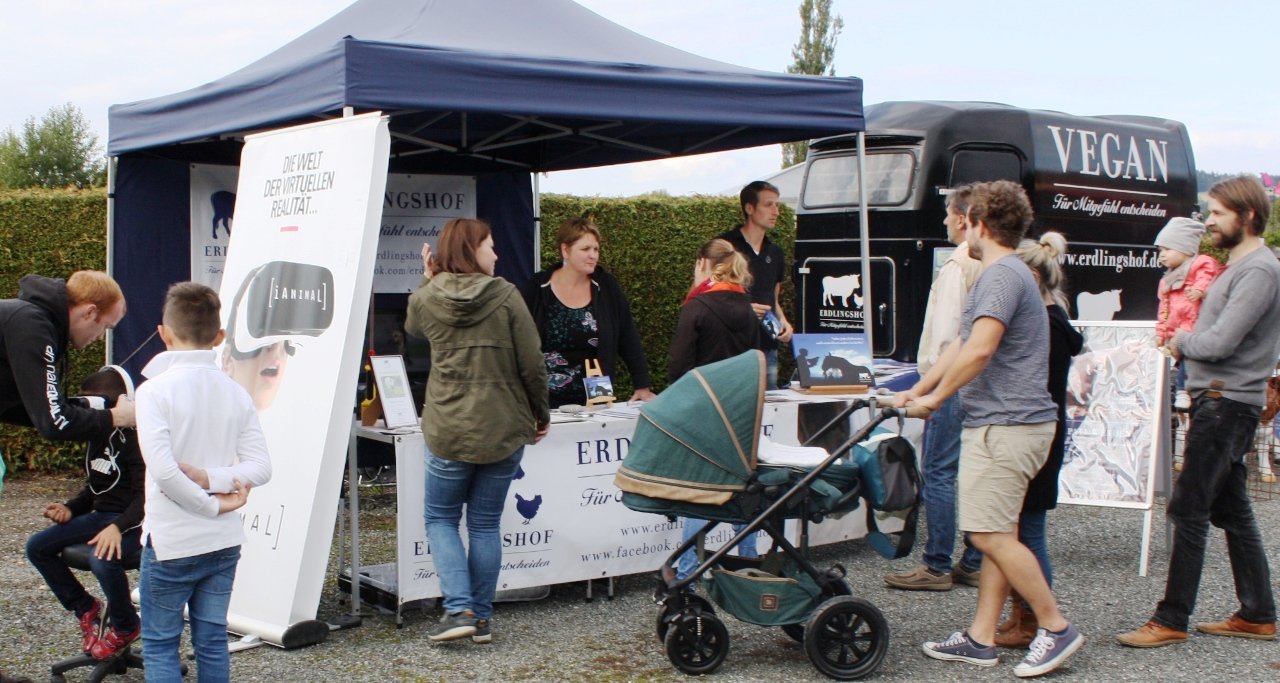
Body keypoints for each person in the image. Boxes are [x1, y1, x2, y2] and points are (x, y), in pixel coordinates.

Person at [894, 181, 1084, 678]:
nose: (956, 224)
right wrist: (917, 391)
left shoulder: (1001, 275)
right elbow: (959, 345)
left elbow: (980, 351)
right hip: (1015, 424)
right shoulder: (1006, 274)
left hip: (1006, 427)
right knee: (999, 531)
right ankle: (981, 637)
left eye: (963, 218)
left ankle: (1055, 625)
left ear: (977, 221)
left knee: (985, 533)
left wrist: (934, 400)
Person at [1117, 176, 1280, 648]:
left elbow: (1219, 342)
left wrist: (1178, 341)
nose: (1208, 221)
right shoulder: (1238, 267)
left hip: (1226, 401)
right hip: (1222, 399)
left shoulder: (1258, 271)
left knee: (1188, 507)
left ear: (1247, 217)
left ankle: (1171, 620)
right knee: (1234, 512)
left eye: (1217, 213)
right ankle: (1258, 613)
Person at [407, 219, 550, 644]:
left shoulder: (427, 297)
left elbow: (414, 328)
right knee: (485, 523)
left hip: (449, 428)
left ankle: (459, 610)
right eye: (490, 246)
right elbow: (532, 363)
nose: (497, 254)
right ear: (472, 250)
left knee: (441, 519)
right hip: (503, 426)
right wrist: (540, 415)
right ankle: (480, 618)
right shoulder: (507, 296)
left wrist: (428, 278)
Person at [136, 282, 272, 682]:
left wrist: (209, 489)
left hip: (173, 540)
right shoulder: (235, 392)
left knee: (161, 644)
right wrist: (216, 490)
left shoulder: (153, 392)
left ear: (163, 332)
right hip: (221, 540)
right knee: (211, 641)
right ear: (220, 337)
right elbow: (261, 467)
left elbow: (164, 472)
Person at [884, 185, 984, 592]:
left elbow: (948, 337)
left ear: (963, 218)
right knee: (971, 471)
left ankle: (937, 563)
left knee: (938, 471)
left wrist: (931, 387)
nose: (943, 220)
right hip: (975, 382)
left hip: (951, 381)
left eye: (947, 213)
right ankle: (973, 559)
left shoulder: (958, 266)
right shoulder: (987, 265)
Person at [994, 231, 1084, 648]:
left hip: (1035, 434)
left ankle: (1036, 619)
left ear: (1031, 276)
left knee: (1028, 532)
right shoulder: (1054, 321)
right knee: (1022, 529)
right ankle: (1023, 615)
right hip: (1045, 431)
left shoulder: (1045, 327)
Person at [25, 367, 145, 661]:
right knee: (37, 547)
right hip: (102, 518)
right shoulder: (98, 434)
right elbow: (96, 488)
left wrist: (118, 527)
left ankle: (126, 625)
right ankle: (86, 608)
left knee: (101, 559)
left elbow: (147, 497)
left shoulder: (137, 440)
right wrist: (71, 508)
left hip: (135, 525)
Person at [667, 238, 762, 579]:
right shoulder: (747, 308)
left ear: (704, 264)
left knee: (699, 494)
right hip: (741, 414)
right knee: (744, 491)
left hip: (704, 412)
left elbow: (678, 365)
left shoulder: (697, 307)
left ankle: (688, 574)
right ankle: (750, 567)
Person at [521, 218, 654, 407]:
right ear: (565, 250)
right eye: (585, 249)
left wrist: (642, 385)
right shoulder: (537, 287)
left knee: (596, 433)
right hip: (544, 395)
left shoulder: (606, 286)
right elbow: (517, 341)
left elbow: (628, 336)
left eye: (596, 249)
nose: (593, 255)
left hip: (597, 388)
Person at [0, 270, 135, 438]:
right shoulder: (33, 328)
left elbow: (21, 410)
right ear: (89, 312)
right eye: (106, 327)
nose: (101, 337)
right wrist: (119, 416)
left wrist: (90, 406)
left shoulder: (29, 321)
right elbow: (55, 422)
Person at [719, 181, 793, 389]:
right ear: (749, 208)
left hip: (767, 348)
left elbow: (773, 298)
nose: (776, 211)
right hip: (732, 349)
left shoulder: (775, 252)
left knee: (768, 415)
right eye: (769, 205)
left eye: (777, 205)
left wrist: (784, 322)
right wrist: (744, 309)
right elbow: (708, 297)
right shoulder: (725, 247)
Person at [1152, 217, 1220, 411]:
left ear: (1185, 248)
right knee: (1178, 358)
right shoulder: (1166, 280)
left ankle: (1183, 390)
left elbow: (1207, 276)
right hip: (1176, 329)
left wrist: (1199, 290)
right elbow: (1163, 309)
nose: (1162, 255)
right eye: (1160, 251)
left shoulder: (1200, 264)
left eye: (1167, 249)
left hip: (1195, 325)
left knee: (1189, 357)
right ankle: (1179, 390)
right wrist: (1161, 331)